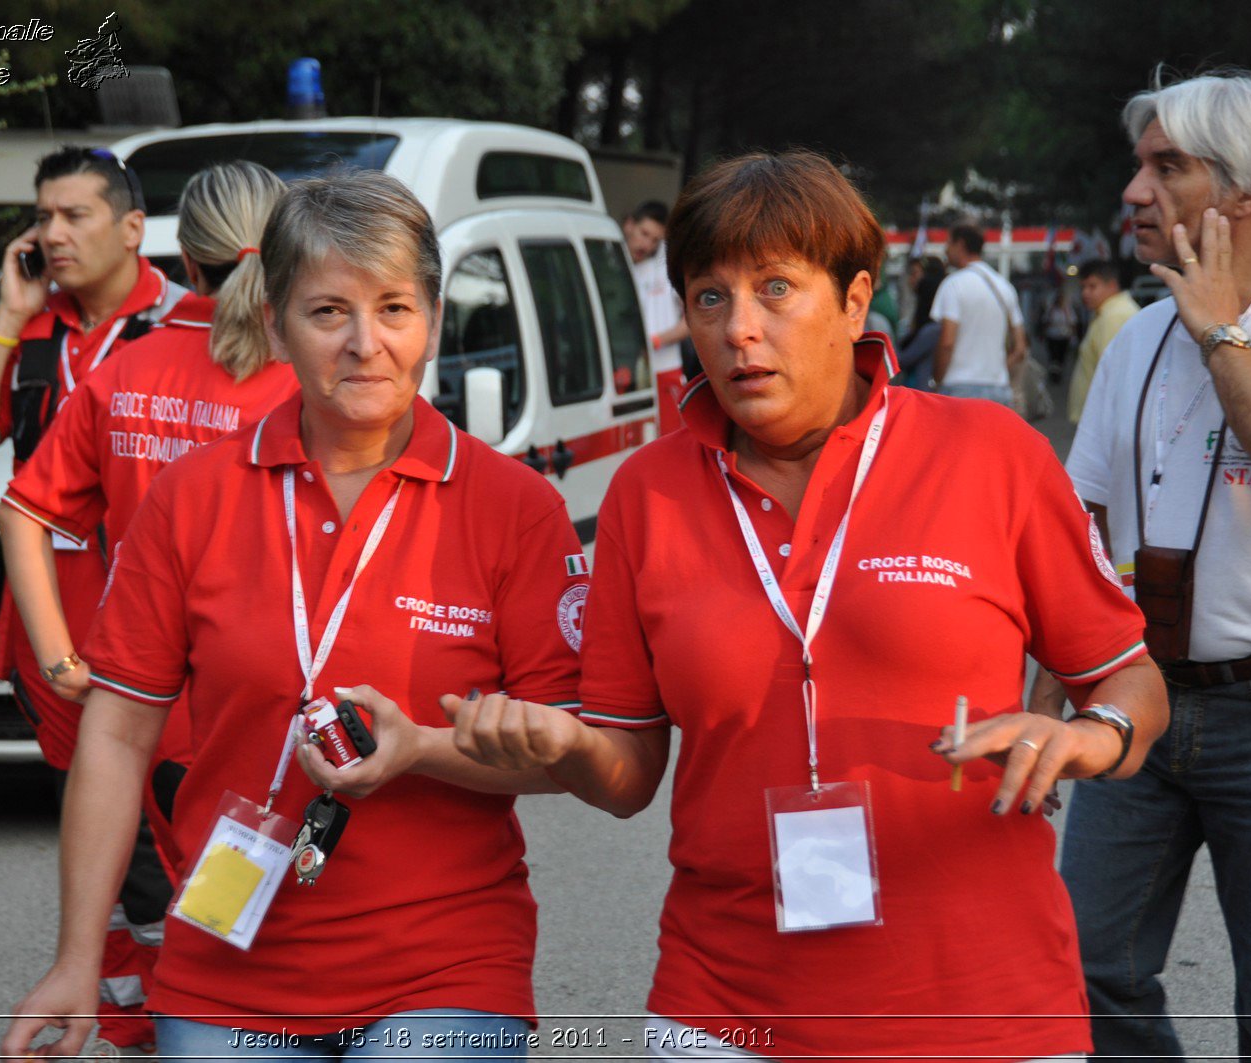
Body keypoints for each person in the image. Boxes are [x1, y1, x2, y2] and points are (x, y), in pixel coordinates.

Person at [446, 150, 1169, 1062]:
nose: (741, 329)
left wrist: (1091, 736)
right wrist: (568, 746)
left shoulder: (992, 453)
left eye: (777, 289)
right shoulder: (646, 493)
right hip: (726, 1007)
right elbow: (629, 771)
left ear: (856, 301)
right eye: (710, 297)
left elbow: (1128, 677)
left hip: (986, 1007)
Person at [0, 170, 589, 1061]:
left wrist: (429, 748)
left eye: (394, 308)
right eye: (328, 312)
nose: (365, 343)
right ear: (274, 323)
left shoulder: (515, 506)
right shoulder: (191, 497)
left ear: (433, 317)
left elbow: (577, 749)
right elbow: (117, 739)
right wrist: (77, 958)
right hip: (229, 954)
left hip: (445, 960)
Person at [0, 161, 296, 1057]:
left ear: (181, 254)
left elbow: (23, 509)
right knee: (276, 947)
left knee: (173, 928)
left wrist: (59, 661)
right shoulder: (308, 382)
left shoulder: (130, 370)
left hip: (142, 719)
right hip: (266, 717)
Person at [1054, 69, 1251, 1062]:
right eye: (1136, 167)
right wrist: (1045, 709)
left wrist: (1220, 334)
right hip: (1138, 699)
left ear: (1242, 191)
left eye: (1167, 167)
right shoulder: (1133, 337)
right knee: (1087, 968)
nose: (1133, 192)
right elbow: (1078, 525)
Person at [0, 145, 186, 1054]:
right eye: (44, 216)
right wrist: (7, 312)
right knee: (106, 864)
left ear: (130, 227)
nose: (51, 233)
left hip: (163, 647)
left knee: (167, 855)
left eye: (75, 215)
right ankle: (120, 1020)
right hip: (56, 649)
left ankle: (186, 1020)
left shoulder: (190, 325)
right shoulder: (35, 329)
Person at [931, 222, 1028, 405]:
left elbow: (947, 343)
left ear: (960, 244)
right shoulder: (1004, 286)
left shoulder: (953, 284)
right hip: (999, 390)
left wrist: (937, 380)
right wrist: (997, 371)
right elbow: (1020, 348)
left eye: (948, 243)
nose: (945, 249)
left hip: (959, 388)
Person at [625, 200, 692, 433]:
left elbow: (691, 321)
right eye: (644, 234)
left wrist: (655, 341)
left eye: (655, 240)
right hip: (626, 375)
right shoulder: (612, 264)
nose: (646, 244)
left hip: (665, 370)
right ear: (629, 225)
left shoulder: (665, 266)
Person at [1065, 260, 1139, 422]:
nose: (1085, 293)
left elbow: (1112, 374)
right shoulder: (1107, 312)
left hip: (1103, 420)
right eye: (1083, 287)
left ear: (1112, 286)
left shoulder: (1114, 316)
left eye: (1092, 286)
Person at [894, 255, 945, 389]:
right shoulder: (919, 316)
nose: (912, 280)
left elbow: (903, 359)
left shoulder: (933, 327)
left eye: (915, 274)